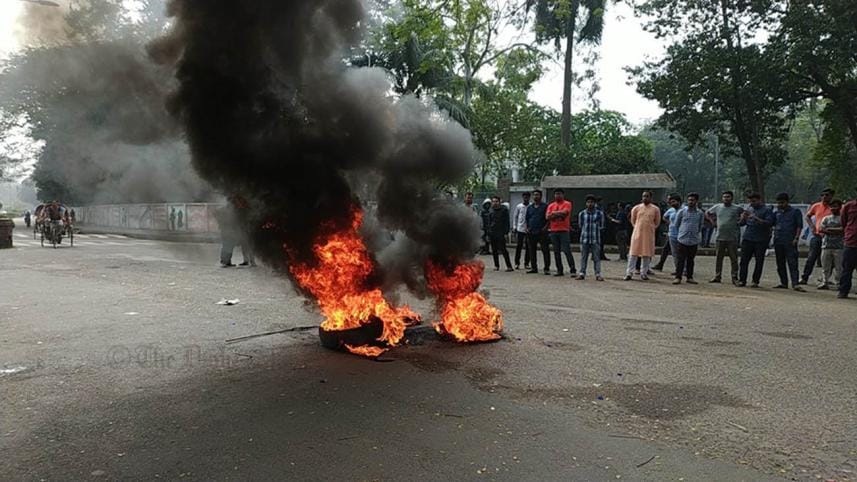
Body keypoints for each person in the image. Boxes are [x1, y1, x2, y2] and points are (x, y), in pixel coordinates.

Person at [738, 193, 775, 288]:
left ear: (759, 200)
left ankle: (755, 281)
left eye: (754, 201)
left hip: (761, 239)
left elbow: (769, 223)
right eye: (750, 201)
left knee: (759, 261)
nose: (752, 203)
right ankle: (742, 280)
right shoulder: (749, 209)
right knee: (744, 261)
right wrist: (743, 218)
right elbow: (742, 224)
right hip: (748, 237)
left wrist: (755, 218)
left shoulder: (767, 210)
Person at [706, 191, 743, 284]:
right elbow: (707, 213)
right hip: (720, 237)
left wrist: (741, 220)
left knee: (734, 259)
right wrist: (712, 221)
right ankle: (717, 276)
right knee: (719, 258)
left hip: (732, 238)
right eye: (724, 197)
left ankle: (734, 277)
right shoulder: (718, 207)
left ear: (732, 198)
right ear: (722, 198)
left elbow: (745, 213)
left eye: (728, 197)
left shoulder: (736, 208)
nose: (726, 198)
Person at [800, 188, 834, 284]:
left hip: (831, 237)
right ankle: (804, 277)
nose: (824, 197)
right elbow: (808, 216)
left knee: (830, 260)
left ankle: (825, 278)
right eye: (822, 195)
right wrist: (812, 227)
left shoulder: (835, 207)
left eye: (827, 195)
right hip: (817, 235)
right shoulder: (816, 206)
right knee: (811, 257)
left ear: (831, 196)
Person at [625, 191, 661, 281]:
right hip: (637, 234)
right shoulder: (636, 208)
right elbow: (633, 221)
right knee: (633, 254)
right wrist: (638, 227)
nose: (645, 198)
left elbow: (657, 222)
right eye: (644, 196)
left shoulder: (655, 209)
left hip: (649, 235)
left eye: (647, 196)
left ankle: (643, 273)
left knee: (646, 254)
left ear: (651, 198)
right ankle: (629, 273)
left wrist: (650, 228)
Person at [772, 193, 805, 292]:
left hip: (790, 241)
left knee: (792, 263)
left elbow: (799, 226)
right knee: (780, 263)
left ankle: (795, 284)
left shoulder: (795, 212)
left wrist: (796, 238)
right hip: (778, 240)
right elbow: (771, 224)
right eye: (778, 203)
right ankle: (783, 282)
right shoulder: (776, 213)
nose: (780, 205)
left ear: (787, 202)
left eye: (782, 203)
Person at [672, 192, 704, 284]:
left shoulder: (700, 213)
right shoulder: (682, 212)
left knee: (691, 260)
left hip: (693, 240)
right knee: (680, 260)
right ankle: (678, 277)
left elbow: (700, 225)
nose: (690, 202)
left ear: (696, 201)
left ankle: (689, 277)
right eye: (689, 200)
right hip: (682, 239)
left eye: (692, 200)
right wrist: (682, 232)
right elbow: (676, 224)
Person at [546, 189, 576, 277]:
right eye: (556, 194)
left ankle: (573, 269)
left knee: (567, 251)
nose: (557, 196)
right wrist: (558, 214)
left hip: (564, 230)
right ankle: (559, 270)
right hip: (554, 231)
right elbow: (547, 217)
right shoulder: (551, 205)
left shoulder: (567, 203)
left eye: (559, 194)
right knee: (556, 251)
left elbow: (565, 213)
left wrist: (554, 213)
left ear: (563, 195)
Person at [576, 195, 605, 281]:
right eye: (588, 202)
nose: (590, 204)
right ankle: (582, 273)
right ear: (586, 203)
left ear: (595, 203)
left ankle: (598, 274)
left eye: (592, 202)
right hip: (584, 238)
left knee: (596, 258)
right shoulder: (582, 214)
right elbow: (580, 226)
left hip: (595, 239)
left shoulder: (600, 214)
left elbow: (602, 226)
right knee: (583, 257)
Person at [818, 199, 844, 290]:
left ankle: (839, 283)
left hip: (839, 246)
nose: (833, 208)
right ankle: (825, 282)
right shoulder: (826, 218)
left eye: (835, 206)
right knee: (825, 265)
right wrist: (836, 230)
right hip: (826, 245)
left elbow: (843, 230)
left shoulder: (842, 218)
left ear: (840, 207)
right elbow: (821, 229)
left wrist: (830, 230)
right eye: (832, 206)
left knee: (839, 267)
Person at [654, 194, 682, 273]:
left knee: (678, 252)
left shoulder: (683, 210)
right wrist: (669, 223)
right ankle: (676, 268)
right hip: (671, 234)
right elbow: (664, 217)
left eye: (672, 201)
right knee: (669, 251)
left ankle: (681, 269)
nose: (670, 202)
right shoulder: (671, 210)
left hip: (680, 234)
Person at [526, 190, 551, 275]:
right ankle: (534, 267)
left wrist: (546, 227)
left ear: (541, 196)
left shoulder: (545, 206)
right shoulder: (530, 207)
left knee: (545, 250)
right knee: (532, 251)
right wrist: (527, 228)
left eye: (537, 195)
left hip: (542, 232)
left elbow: (548, 219)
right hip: (531, 231)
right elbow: (527, 218)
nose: (535, 196)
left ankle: (546, 268)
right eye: (534, 195)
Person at [837, 198, 857, 299]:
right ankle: (843, 291)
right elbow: (843, 222)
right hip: (851, 242)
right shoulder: (849, 206)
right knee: (847, 269)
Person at [488, 196, 513, 272]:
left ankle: (509, 266)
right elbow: (489, 222)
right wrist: (488, 232)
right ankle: (496, 265)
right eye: (493, 201)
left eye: (496, 201)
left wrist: (506, 233)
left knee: (503, 249)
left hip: (501, 233)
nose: (495, 203)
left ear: (500, 202)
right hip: (493, 232)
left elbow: (507, 222)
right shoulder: (491, 211)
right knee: (494, 250)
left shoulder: (504, 210)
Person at [513, 192, 531, 270]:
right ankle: (517, 263)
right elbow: (515, 217)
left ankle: (526, 263)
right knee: (519, 246)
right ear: (522, 197)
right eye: (524, 197)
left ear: (529, 198)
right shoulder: (519, 206)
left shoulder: (531, 206)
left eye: (527, 197)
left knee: (528, 247)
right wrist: (514, 226)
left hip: (528, 229)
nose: (526, 198)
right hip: (520, 228)